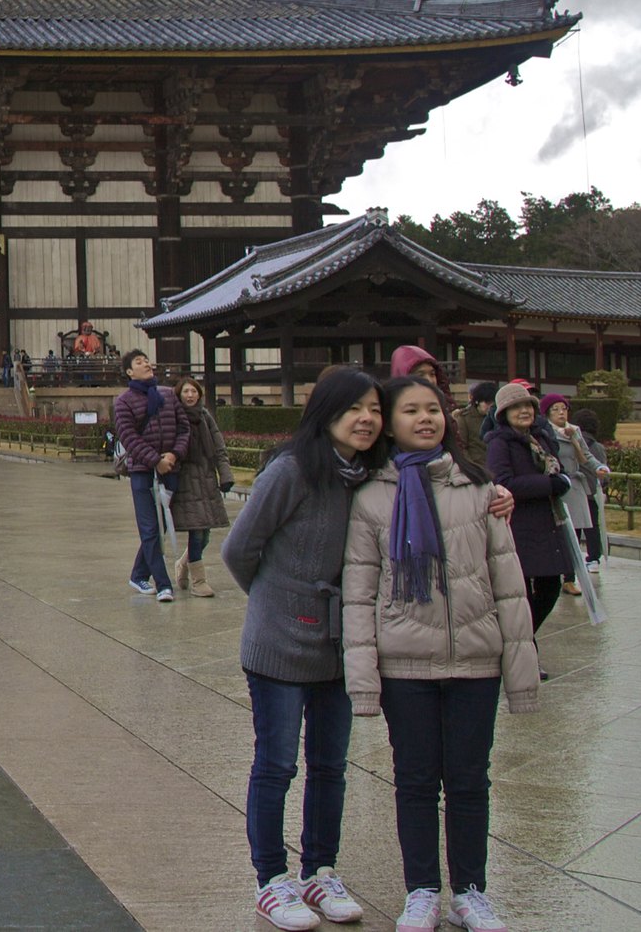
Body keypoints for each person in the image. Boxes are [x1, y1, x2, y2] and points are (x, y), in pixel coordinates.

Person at [344, 374, 538, 932]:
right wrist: (364, 677)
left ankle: (471, 890)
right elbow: (359, 592)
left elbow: (508, 582)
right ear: (391, 422)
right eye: (411, 410)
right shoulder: (370, 497)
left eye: (434, 409)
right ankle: (422, 889)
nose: (425, 419)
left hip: (476, 661)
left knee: (471, 779)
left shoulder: (480, 489)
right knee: (416, 780)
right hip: (405, 664)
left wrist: (520, 672)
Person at [220, 368, 383, 930]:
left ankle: (320, 870)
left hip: (340, 643)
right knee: (277, 763)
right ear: (327, 412)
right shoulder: (291, 470)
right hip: (279, 643)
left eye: (374, 409)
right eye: (354, 408)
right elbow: (240, 550)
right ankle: (271, 879)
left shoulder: (371, 475)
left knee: (330, 765)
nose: (367, 419)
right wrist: (276, 603)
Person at [485, 384, 573, 645]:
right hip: (520, 525)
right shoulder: (499, 443)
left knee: (551, 587)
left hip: (548, 523)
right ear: (503, 413)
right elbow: (502, 482)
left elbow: (558, 469)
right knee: (522, 592)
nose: (524, 411)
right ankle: (523, 646)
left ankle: (521, 640)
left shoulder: (542, 438)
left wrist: (562, 480)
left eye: (528, 406)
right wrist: (548, 485)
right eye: (516, 407)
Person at [111, 349, 188, 603]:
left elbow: (183, 428)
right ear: (129, 372)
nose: (146, 364)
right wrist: (155, 460)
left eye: (146, 360)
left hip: (170, 468)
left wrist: (173, 456)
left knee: (162, 525)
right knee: (149, 527)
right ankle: (163, 584)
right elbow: (129, 437)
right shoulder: (123, 402)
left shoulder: (168, 395)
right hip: (143, 472)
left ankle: (138, 573)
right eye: (139, 362)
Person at [168, 376, 233, 598]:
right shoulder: (174, 418)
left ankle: (183, 564)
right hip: (186, 480)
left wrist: (225, 476)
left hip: (206, 479)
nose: (190, 395)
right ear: (179, 395)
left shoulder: (205, 417)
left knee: (205, 535)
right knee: (197, 532)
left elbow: (219, 447)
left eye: (193, 391)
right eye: (186, 391)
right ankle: (199, 580)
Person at [542, 395, 605, 579]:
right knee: (558, 533)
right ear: (547, 413)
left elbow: (586, 456)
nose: (561, 412)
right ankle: (556, 572)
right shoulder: (545, 432)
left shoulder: (574, 431)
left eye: (564, 408)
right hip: (555, 484)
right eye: (556, 409)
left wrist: (599, 467)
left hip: (574, 485)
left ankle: (570, 578)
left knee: (575, 532)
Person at [572, 407, 610, 567]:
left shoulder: (571, 444)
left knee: (574, 528)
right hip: (591, 493)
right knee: (593, 527)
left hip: (574, 492)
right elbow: (603, 472)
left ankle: (573, 560)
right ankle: (593, 558)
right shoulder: (598, 447)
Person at [458, 382, 495, 456]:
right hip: (475, 463)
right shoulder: (464, 418)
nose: (490, 407)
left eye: (493, 404)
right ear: (477, 401)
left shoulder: (497, 418)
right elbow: (461, 446)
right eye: (487, 403)